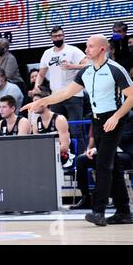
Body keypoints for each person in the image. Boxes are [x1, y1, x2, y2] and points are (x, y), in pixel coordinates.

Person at [21, 34, 133, 226]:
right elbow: (65, 93)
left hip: (114, 120)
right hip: (97, 121)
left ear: (102, 49)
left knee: (103, 165)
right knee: (112, 164)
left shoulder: (116, 70)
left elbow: (131, 96)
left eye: (90, 46)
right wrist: (42, 101)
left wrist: (116, 117)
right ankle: (123, 211)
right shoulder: (86, 72)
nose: (86, 49)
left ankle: (98, 211)